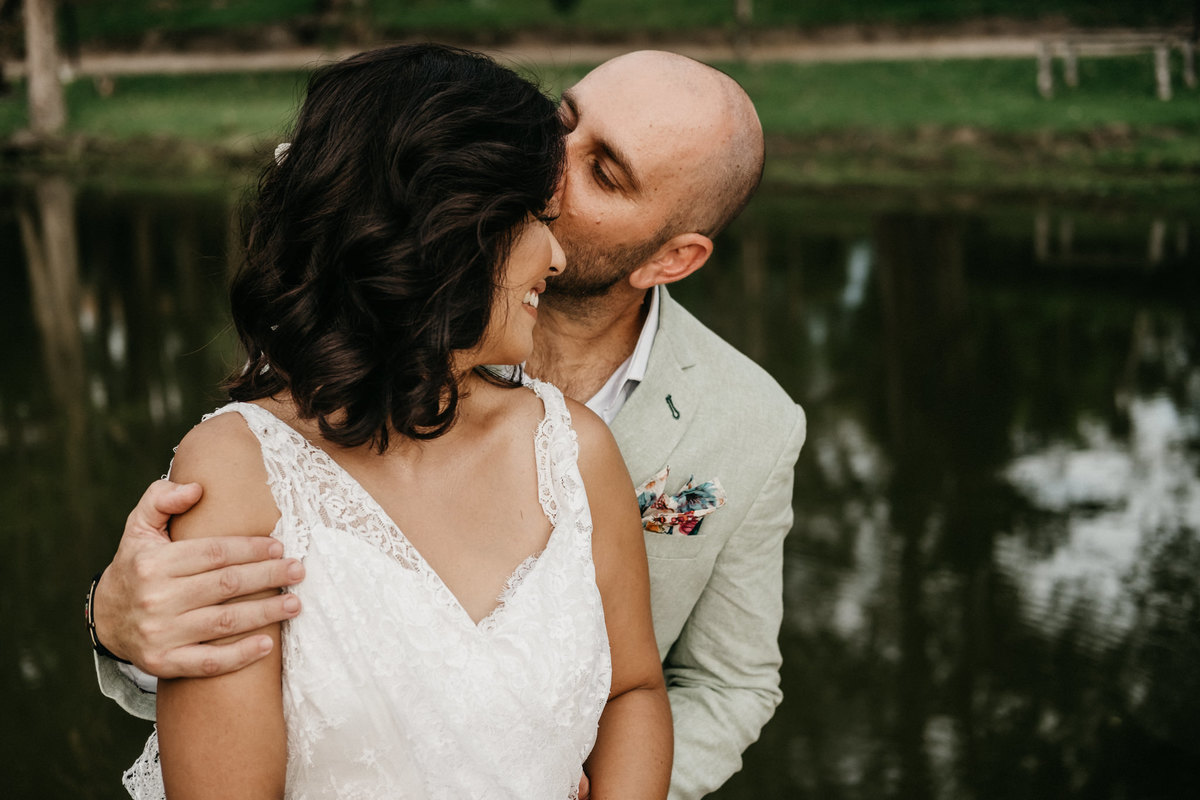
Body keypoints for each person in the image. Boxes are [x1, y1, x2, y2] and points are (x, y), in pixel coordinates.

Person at [91, 50, 806, 799]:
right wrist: (114, 621)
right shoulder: (352, 306)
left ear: (672, 256)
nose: (551, 170)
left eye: (603, 172)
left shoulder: (727, 426)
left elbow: (714, 684)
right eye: (562, 123)